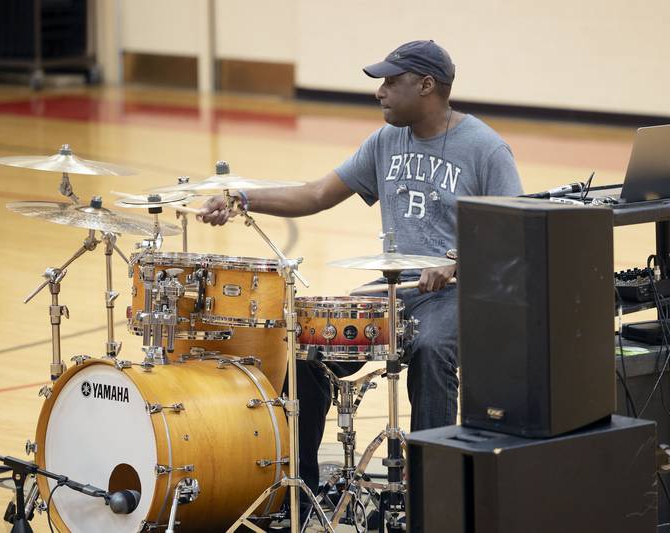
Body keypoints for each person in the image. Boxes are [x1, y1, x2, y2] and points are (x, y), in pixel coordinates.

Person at [198, 40, 523, 493]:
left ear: (426, 85)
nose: (380, 91)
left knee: (430, 350)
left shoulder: (486, 149)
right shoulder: (386, 141)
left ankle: (431, 488)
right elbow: (314, 194)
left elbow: (513, 232)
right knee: (307, 344)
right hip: (394, 288)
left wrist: (455, 264)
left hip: (458, 294)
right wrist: (243, 197)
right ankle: (302, 488)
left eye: (391, 82)